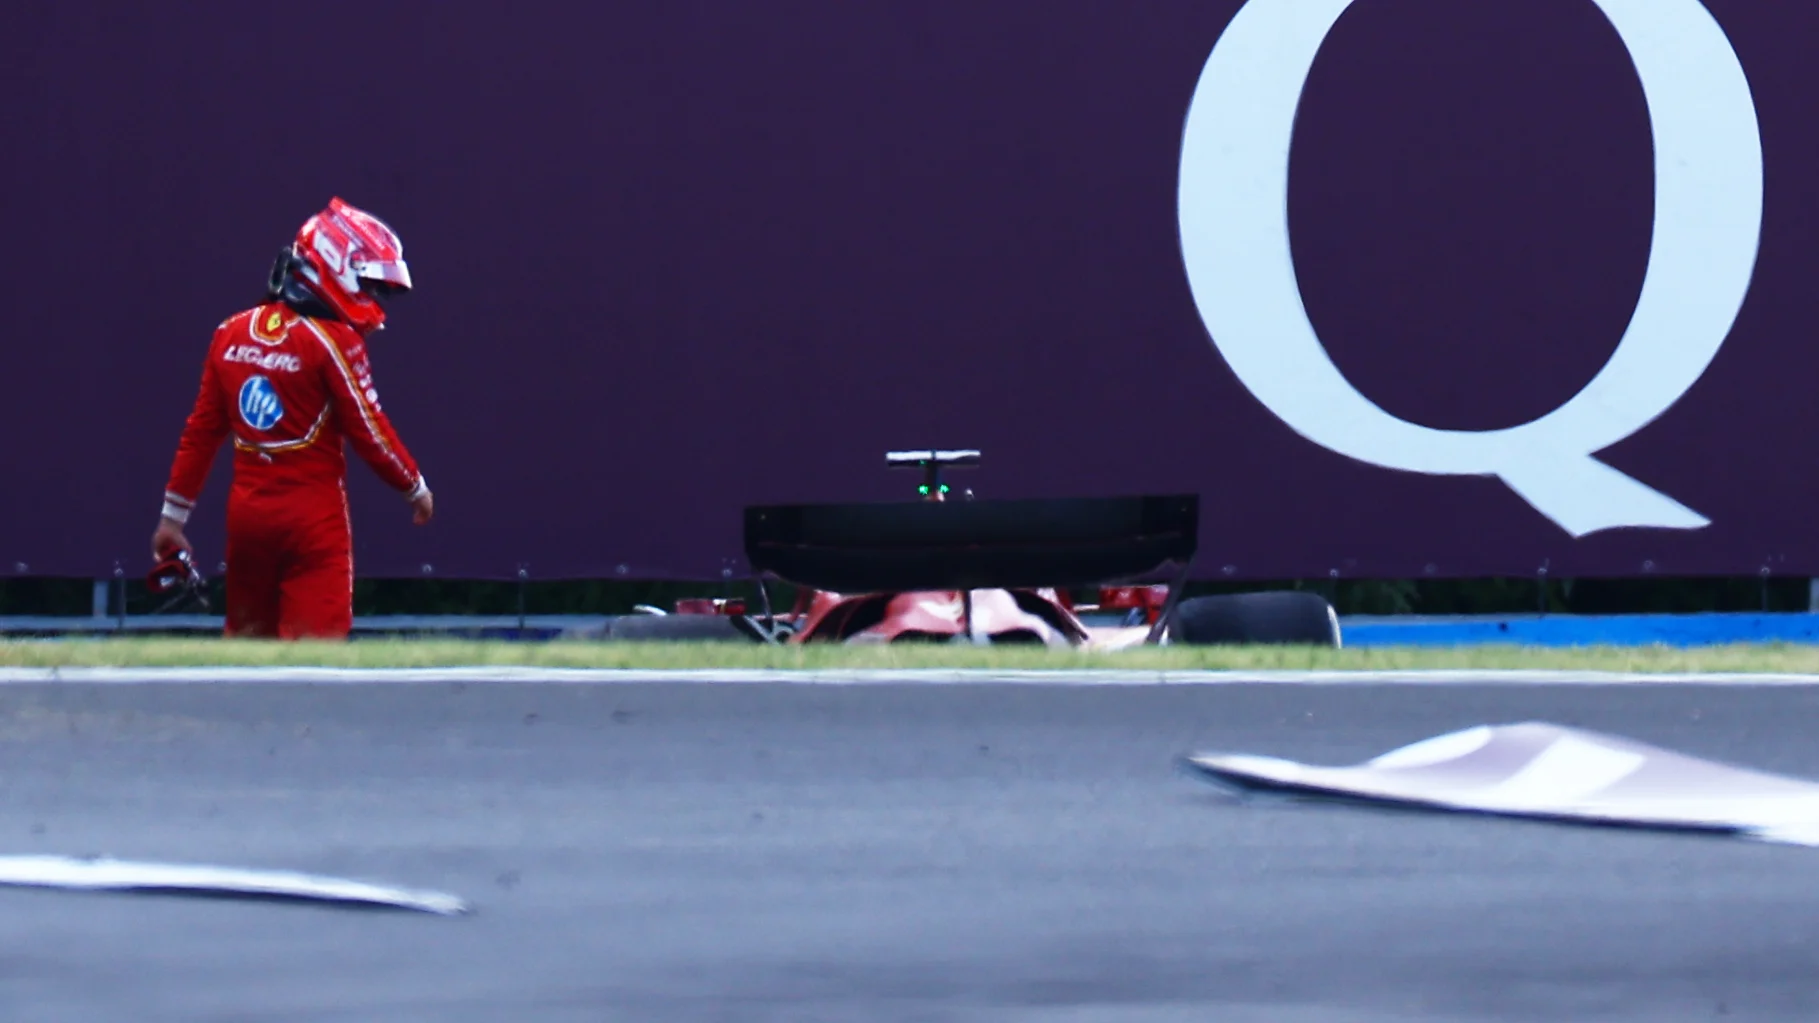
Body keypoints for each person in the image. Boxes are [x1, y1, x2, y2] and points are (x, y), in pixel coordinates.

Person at [152, 197, 434, 639]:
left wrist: (173, 518)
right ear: (335, 266)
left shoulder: (230, 333)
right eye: (367, 283)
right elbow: (369, 428)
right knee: (315, 666)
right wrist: (412, 485)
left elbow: (201, 435)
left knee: (246, 650)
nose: (373, 297)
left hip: (246, 520)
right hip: (312, 521)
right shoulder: (334, 340)